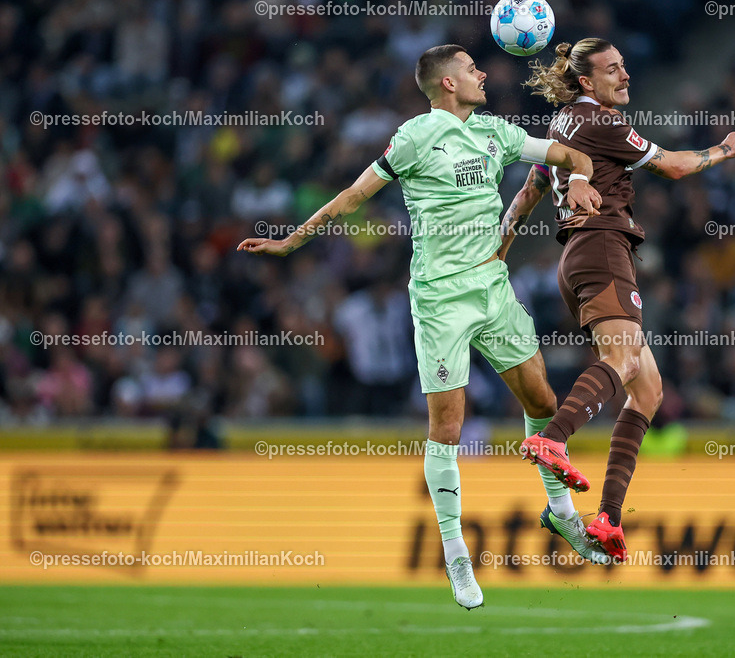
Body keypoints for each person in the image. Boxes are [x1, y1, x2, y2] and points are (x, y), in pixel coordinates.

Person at [238, 44, 610, 610]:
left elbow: (569, 153)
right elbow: (353, 197)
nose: (483, 73)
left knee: (543, 400)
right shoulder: (414, 137)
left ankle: (562, 515)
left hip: (492, 287)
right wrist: (292, 241)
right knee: (448, 427)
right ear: (448, 83)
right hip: (440, 300)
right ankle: (456, 555)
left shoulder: (495, 131)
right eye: (471, 68)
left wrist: (580, 177)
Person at [503, 38, 735, 561]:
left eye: (624, 67)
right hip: (603, 248)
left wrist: (500, 249)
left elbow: (529, 192)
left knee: (648, 391)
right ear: (586, 81)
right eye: (613, 70)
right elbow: (674, 166)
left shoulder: (560, 126)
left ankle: (608, 518)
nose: (625, 76)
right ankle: (553, 438)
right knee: (622, 360)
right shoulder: (603, 123)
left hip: (578, 256)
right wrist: (724, 149)